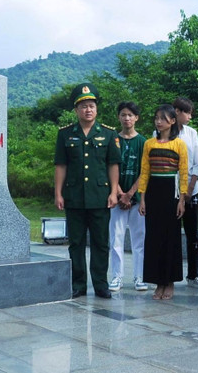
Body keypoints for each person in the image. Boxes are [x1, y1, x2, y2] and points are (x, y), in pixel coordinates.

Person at [54, 83, 120, 299]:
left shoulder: (109, 134)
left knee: (101, 242)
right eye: (83, 107)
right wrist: (58, 193)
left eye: (91, 106)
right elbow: (60, 165)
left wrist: (113, 192)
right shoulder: (65, 134)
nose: (88, 110)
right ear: (76, 110)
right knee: (76, 243)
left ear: (96, 108)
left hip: (100, 197)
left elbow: (113, 165)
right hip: (74, 197)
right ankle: (78, 284)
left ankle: (101, 284)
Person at [137, 104, 189, 300]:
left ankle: (170, 282)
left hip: (172, 193)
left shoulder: (179, 144)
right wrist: (142, 198)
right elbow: (144, 172)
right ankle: (158, 282)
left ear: (172, 121)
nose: (158, 122)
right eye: (156, 118)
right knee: (154, 238)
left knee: (171, 238)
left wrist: (182, 200)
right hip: (153, 193)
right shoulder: (149, 144)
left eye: (162, 118)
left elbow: (183, 173)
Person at [109, 101, 149, 292]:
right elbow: (108, 168)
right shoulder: (112, 140)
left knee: (139, 239)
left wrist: (131, 195)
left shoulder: (143, 142)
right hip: (116, 199)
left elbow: (145, 171)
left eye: (130, 115)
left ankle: (139, 276)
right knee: (115, 238)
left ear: (136, 118)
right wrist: (118, 193)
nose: (126, 118)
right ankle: (116, 277)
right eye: (123, 114)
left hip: (137, 199)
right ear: (118, 117)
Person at [172, 97, 198, 288]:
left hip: (191, 190)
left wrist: (189, 190)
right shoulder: (161, 133)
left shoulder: (192, 133)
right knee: (172, 234)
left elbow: (197, 164)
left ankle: (193, 275)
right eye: (187, 112)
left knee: (192, 235)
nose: (190, 116)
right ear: (177, 112)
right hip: (170, 190)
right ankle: (172, 274)